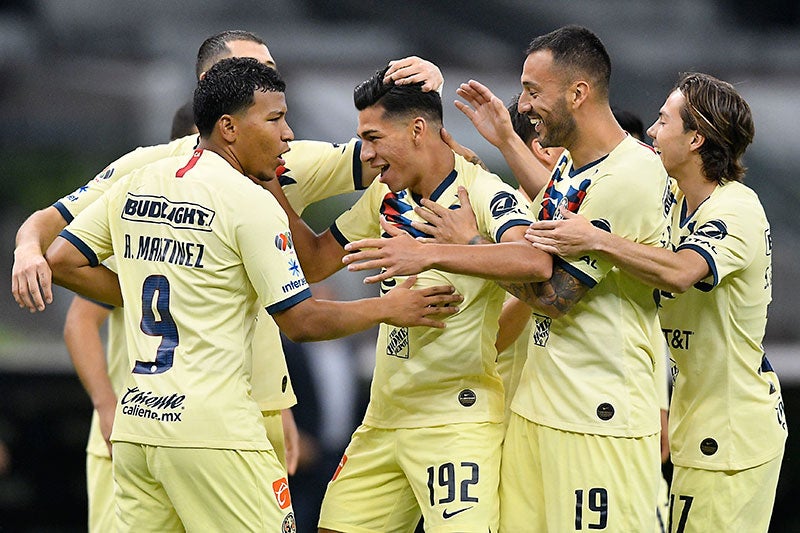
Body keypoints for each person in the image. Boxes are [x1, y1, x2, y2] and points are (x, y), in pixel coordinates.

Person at [10, 28, 448, 505]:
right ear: (220, 103)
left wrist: (427, 98)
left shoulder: (184, 174)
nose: (287, 132)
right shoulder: (229, 189)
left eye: (271, 74)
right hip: (213, 422)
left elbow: (399, 151)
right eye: (256, 76)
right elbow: (299, 318)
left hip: (155, 416)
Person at [343, 26, 670, 531]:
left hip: (600, 415)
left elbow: (552, 293)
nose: (525, 103)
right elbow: (546, 210)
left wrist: (460, 248)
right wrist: (498, 143)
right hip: (541, 407)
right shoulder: (576, 170)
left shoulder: (629, 174)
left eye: (534, 92)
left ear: (578, 93)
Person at [262, 64, 551, 532]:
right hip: (384, 415)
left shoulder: (482, 192)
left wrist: (433, 251)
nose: (368, 154)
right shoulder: (384, 198)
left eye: (374, 138)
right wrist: (273, 186)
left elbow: (534, 262)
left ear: (418, 129)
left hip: (454, 420)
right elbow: (315, 262)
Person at [527, 72, 787, 532]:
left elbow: (682, 272)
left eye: (664, 121)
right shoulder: (672, 198)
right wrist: (502, 140)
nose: (650, 130)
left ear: (695, 139)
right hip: (694, 417)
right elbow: (577, 206)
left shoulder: (736, 209)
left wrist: (598, 240)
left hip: (732, 430)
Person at [61, 104, 199, 532]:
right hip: (127, 428)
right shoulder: (140, 227)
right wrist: (106, 406)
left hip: (190, 432)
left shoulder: (220, 218)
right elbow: (79, 323)